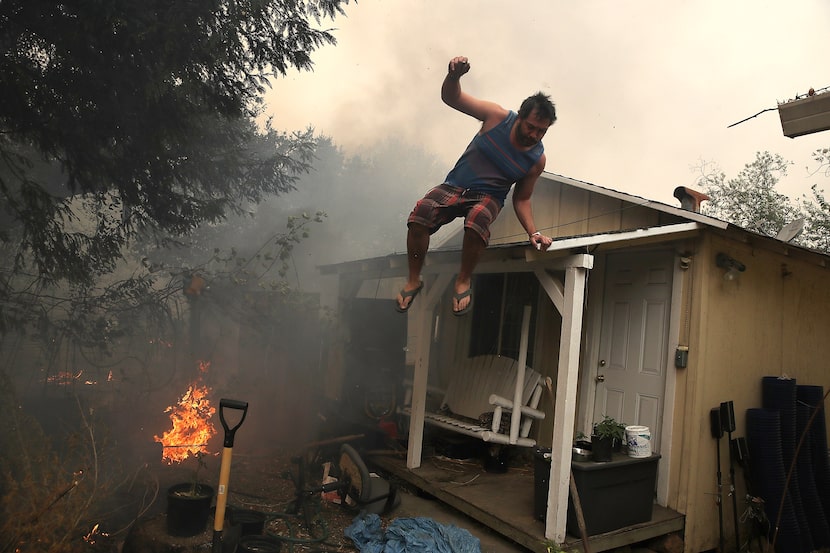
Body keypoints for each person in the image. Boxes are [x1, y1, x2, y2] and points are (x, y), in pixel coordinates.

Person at [395, 55, 556, 316]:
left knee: (477, 220)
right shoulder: (496, 117)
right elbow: (451, 98)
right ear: (520, 117)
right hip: (455, 185)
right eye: (531, 127)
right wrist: (454, 76)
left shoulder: (537, 159)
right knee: (421, 213)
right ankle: (414, 279)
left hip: (489, 196)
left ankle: (463, 280)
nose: (534, 135)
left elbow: (522, 199)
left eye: (541, 131)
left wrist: (533, 232)